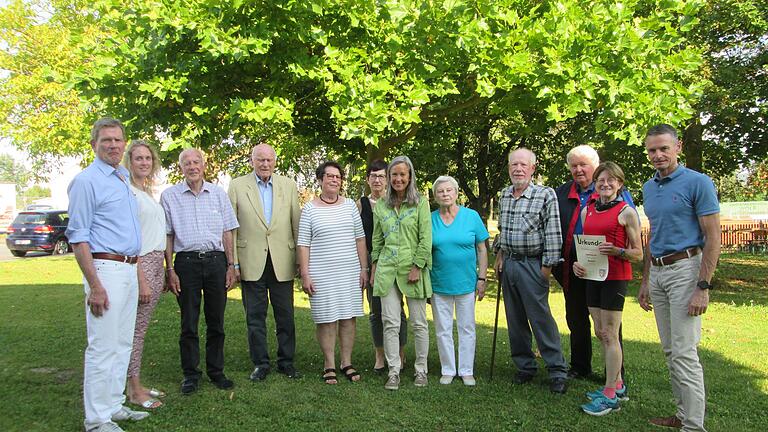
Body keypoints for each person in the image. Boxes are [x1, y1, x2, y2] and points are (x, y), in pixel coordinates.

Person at [67, 117, 148, 432]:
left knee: (122, 342)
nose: (113, 145)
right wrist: (95, 286)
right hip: (105, 269)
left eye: (117, 140)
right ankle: (97, 419)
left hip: (128, 268)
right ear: (93, 145)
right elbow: (78, 237)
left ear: (124, 143)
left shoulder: (121, 179)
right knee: (102, 345)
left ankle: (113, 406)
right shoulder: (87, 181)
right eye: (106, 141)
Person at [638, 124, 721, 431]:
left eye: (663, 148)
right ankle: (682, 415)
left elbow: (713, 238)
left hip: (687, 271)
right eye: (652, 150)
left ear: (678, 147)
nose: (658, 155)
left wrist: (703, 286)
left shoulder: (698, 183)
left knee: (685, 352)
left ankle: (693, 426)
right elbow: (653, 236)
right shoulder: (649, 187)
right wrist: (646, 281)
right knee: (671, 350)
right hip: (658, 272)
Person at [161, 148, 239, 395]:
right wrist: (170, 269)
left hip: (216, 262)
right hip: (186, 264)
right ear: (181, 167)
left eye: (196, 162)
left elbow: (228, 231)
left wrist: (231, 265)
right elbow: (168, 235)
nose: (192, 166)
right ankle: (190, 375)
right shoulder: (169, 196)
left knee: (216, 321)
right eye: (187, 163)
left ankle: (216, 371)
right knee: (189, 322)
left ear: (204, 165)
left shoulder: (217, 194)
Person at [553, 145, 634, 381]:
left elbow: (629, 226)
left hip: (607, 263)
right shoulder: (562, 192)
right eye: (574, 165)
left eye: (583, 165)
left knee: (608, 323)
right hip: (573, 264)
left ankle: (615, 374)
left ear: (596, 166)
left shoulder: (612, 190)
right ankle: (580, 366)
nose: (578, 170)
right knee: (576, 316)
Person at [493, 148, 568, 394]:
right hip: (510, 264)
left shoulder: (545, 195)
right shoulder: (504, 194)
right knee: (514, 319)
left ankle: (557, 370)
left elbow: (554, 234)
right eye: (514, 164)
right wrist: (500, 253)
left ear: (533, 168)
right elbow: (503, 230)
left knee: (540, 319)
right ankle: (525, 366)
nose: (518, 169)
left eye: (524, 165)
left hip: (533, 265)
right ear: (508, 168)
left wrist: (546, 269)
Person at [571, 162, 643, 416]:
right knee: (601, 332)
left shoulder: (627, 212)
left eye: (611, 180)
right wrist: (578, 265)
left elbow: (638, 254)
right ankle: (617, 384)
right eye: (601, 180)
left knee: (611, 333)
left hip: (615, 278)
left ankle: (610, 393)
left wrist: (618, 251)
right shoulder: (587, 210)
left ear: (619, 184)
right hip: (593, 277)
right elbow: (585, 247)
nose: (605, 184)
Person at [228, 143, 301, 381]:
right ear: (252, 161)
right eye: (260, 160)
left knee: (285, 316)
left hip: (283, 260)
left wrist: (301, 260)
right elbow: (231, 228)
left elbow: (296, 224)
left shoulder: (288, 186)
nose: (265, 164)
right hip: (251, 260)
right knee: (255, 317)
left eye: (269, 160)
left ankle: (286, 361)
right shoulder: (237, 186)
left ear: (275, 161)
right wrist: (234, 263)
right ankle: (260, 363)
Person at [297, 161, 368, 384]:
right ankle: (329, 364)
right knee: (326, 319)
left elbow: (360, 238)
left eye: (338, 177)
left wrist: (364, 268)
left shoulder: (350, 207)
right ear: (320, 179)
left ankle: (346, 362)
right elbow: (303, 244)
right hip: (321, 273)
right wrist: (305, 274)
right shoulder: (309, 209)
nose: (334, 180)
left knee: (348, 317)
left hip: (349, 271)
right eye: (330, 176)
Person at [370, 156, 432, 390]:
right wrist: (374, 267)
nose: (397, 179)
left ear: (410, 177)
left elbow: (426, 239)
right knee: (390, 322)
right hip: (387, 271)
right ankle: (393, 370)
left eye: (402, 174)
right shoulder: (381, 206)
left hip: (412, 269)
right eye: (393, 174)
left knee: (418, 323)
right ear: (388, 177)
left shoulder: (420, 204)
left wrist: (417, 266)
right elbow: (377, 239)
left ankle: (421, 369)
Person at [430, 175, 489, 387]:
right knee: (443, 328)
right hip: (439, 282)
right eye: (440, 191)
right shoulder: (430, 219)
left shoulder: (471, 216)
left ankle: (466, 370)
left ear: (456, 193)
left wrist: (481, 278)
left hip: (466, 283)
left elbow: (482, 249)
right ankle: (448, 369)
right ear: (435, 196)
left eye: (449, 190)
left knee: (467, 328)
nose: (445, 194)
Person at [122, 140, 168, 409]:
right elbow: (132, 239)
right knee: (134, 331)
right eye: (138, 158)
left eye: (148, 158)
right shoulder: (128, 193)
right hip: (141, 265)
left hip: (155, 264)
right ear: (129, 161)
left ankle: (134, 383)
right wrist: (141, 279)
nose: (143, 162)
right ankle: (134, 389)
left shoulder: (146, 192)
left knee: (139, 329)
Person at [356, 160, 407, 374]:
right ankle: (380, 354)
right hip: (372, 261)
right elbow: (356, 237)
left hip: (398, 260)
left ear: (388, 179)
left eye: (381, 176)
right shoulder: (360, 205)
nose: (377, 180)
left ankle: (400, 354)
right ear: (367, 179)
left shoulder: (398, 202)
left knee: (399, 310)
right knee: (376, 310)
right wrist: (365, 267)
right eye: (373, 176)